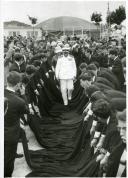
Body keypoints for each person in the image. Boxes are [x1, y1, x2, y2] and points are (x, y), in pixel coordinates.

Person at [4, 71, 28, 177]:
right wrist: (23, 94)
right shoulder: (19, 101)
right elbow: (26, 110)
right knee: (8, 162)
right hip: (10, 135)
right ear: (18, 84)